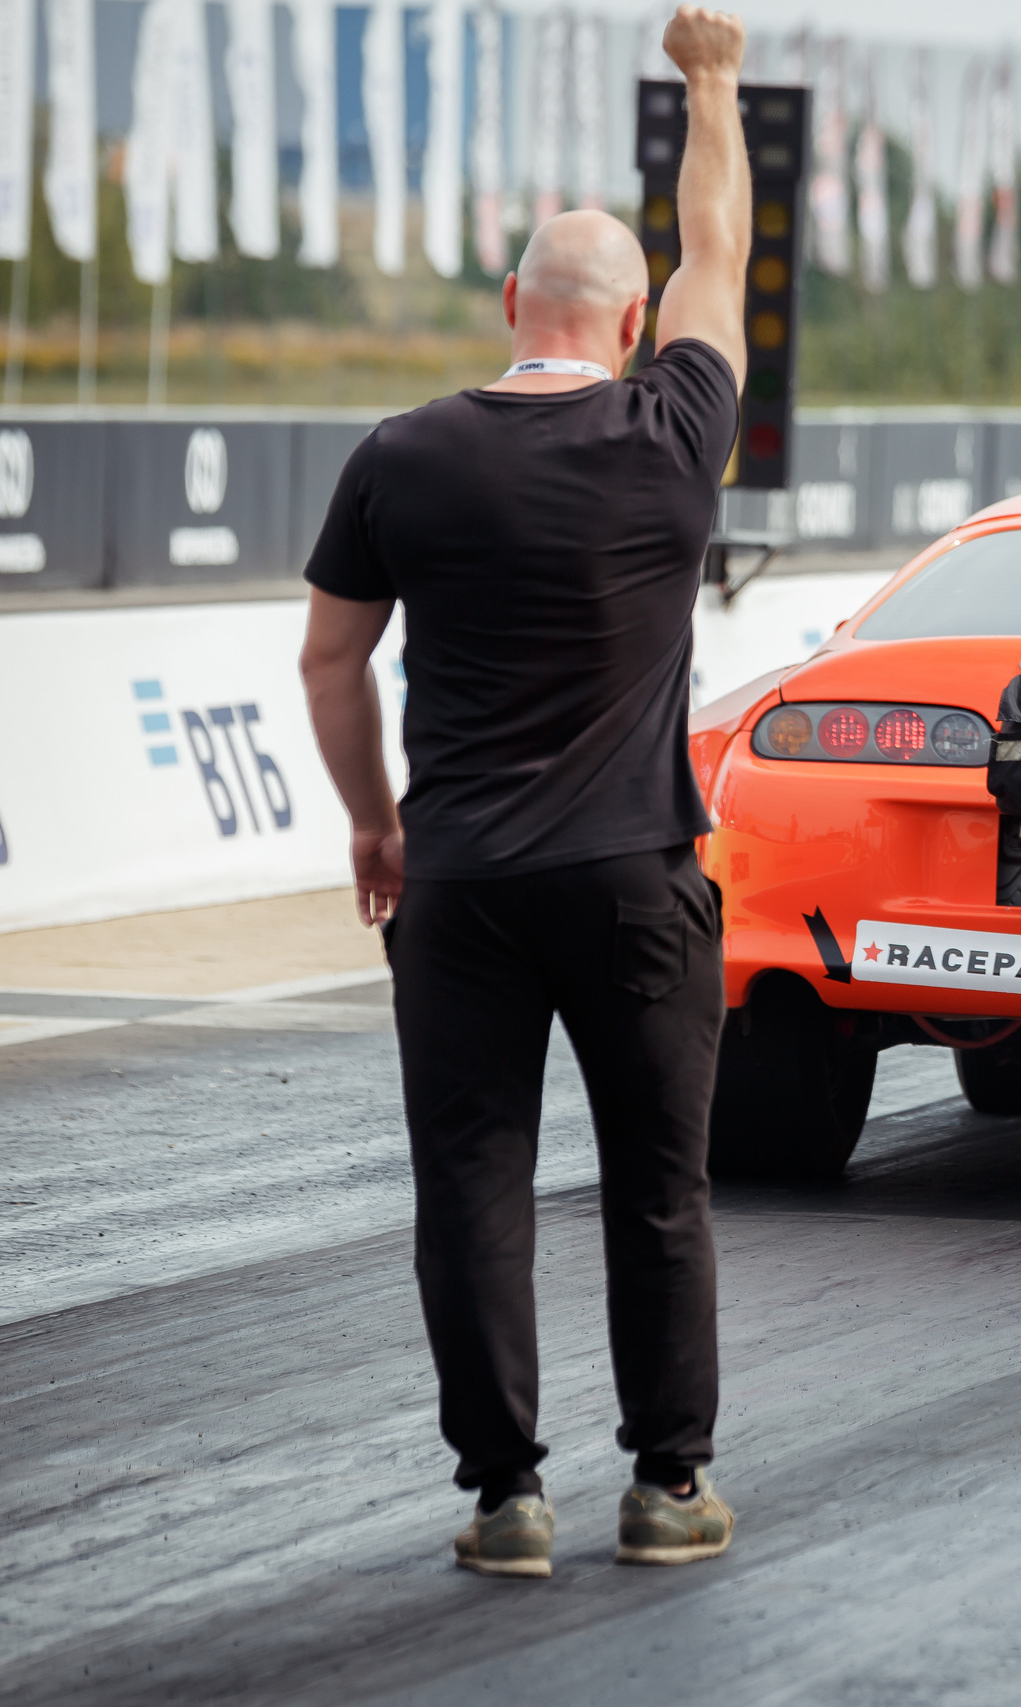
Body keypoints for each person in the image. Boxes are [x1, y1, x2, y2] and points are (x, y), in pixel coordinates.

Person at [297, 6, 752, 1580]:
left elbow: (330, 663)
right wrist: (711, 83)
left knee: (472, 1187)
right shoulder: (674, 435)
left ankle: (504, 1497)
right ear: (635, 328)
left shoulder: (402, 454)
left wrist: (375, 822)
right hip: (635, 877)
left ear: (511, 304)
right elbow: (716, 243)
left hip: (465, 886)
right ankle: (668, 1481)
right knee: (658, 1191)